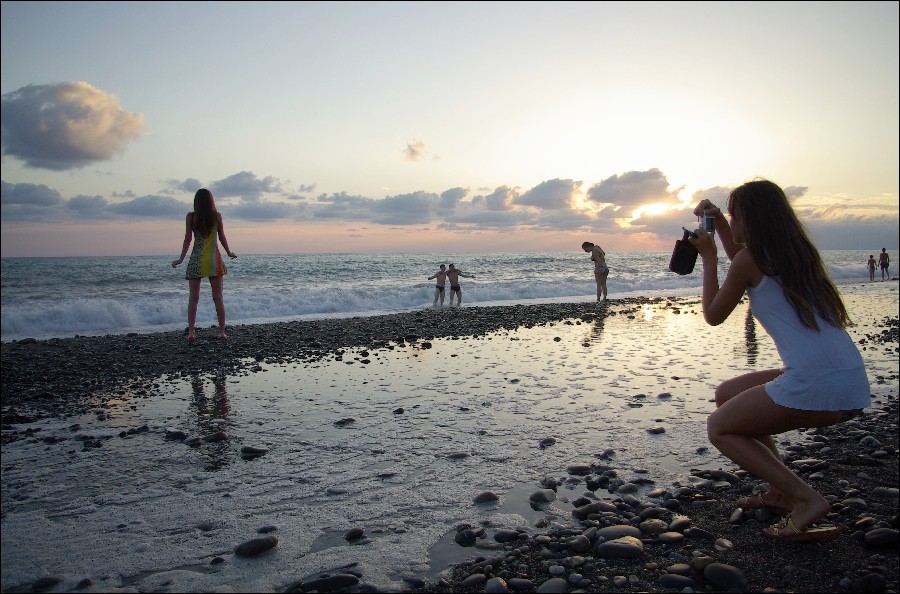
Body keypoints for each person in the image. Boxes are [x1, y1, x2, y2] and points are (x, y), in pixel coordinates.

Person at [688, 179, 869, 543]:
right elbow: (743, 254)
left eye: (734, 215)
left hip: (816, 385)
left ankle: (805, 498)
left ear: (750, 220)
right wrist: (721, 223)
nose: (732, 224)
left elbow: (713, 314)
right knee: (728, 393)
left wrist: (708, 258)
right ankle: (781, 491)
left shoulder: (750, 260)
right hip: (849, 381)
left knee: (719, 427)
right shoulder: (797, 256)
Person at [171, 188, 237, 341]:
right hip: (214, 260)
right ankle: (221, 332)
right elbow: (222, 237)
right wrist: (228, 252)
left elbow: (188, 239)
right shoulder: (217, 216)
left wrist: (181, 259)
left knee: (193, 298)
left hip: (197, 260)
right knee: (218, 297)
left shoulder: (191, 217)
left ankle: (192, 332)